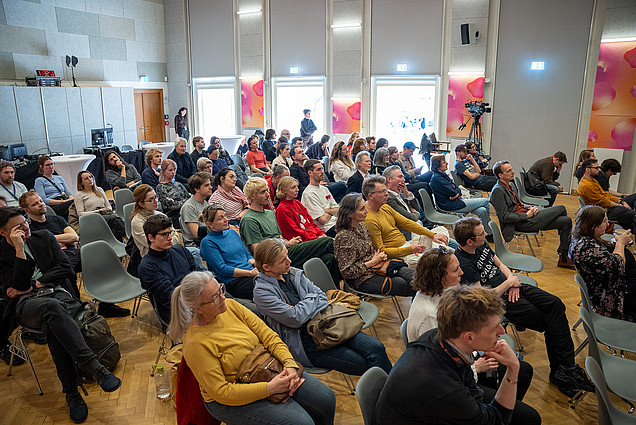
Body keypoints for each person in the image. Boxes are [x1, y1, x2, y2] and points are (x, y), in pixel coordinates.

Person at [0, 207, 122, 423]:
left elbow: (66, 267)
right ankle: (93, 367)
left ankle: (72, 392)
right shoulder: (2, 254)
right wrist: (19, 250)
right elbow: (15, 286)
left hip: (56, 295)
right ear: (3, 233)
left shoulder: (43, 237)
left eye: (25, 222)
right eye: (18, 227)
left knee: (53, 320)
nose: (26, 228)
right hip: (25, 305)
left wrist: (34, 284)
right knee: (51, 308)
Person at [168, 271, 336, 425]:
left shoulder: (231, 306)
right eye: (214, 298)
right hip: (231, 397)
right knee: (301, 422)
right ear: (197, 308)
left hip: (267, 369)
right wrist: (270, 388)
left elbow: (268, 336)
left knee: (326, 398)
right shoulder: (195, 343)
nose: (223, 298)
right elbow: (222, 392)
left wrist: (289, 364)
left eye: (220, 290)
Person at [453, 216, 595, 397]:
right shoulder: (464, 263)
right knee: (550, 322)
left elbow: (499, 263)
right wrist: (508, 284)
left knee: (555, 304)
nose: (486, 234)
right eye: (481, 234)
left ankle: (564, 370)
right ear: (469, 241)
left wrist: (511, 279)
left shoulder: (480, 245)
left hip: (513, 286)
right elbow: (483, 298)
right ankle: (564, 370)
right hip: (499, 301)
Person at [376, 285, 541, 425]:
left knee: (527, 415)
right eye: (494, 328)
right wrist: (513, 368)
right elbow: (497, 421)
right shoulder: (444, 388)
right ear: (469, 337)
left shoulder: (438, 337)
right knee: (529, 419)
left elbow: (470, 386)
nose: (502, 331)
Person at [406, 248, 534, 401]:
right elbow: (437, 366)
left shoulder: (441, 291)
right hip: (452, 380)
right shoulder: (429, 315)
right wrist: (475, 367)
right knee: (522, 373)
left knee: (521, 368)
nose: (461, 272)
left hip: (463, 358)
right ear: (440, 277)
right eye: (456, 270)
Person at [252, 238, 392, 375]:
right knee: (364, 363)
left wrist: (302, 305)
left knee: (377, 348)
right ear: (266, 267)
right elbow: (296, 319)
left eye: (287, 256)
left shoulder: (292, 272)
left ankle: (391, 389)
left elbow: (322, 297)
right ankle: (388, 389)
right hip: (307, 341)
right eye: (282, 260)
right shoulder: (262, 292)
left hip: (327, 322)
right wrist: (311, 299)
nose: (289, 261)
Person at [239, 177, 341, 284]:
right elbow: (258, 250)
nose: (268, 194)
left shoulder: (270, 213)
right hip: (276, 256)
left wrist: (289, 242)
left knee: (329, 258)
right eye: (263, 192)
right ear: (252, 196)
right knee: (328, 242)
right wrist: (287, 244)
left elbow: (280, 237)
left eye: (267, 191)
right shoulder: (249, 220)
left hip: (286, 248)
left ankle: (334, 290)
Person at [490, 160, 575, 269]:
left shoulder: (508, 185)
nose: (513, 172)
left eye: (511, 169)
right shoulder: (498, 191)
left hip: (527, 217)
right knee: (561, 208)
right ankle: (565, 254)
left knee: (566, 221)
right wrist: (527, 215)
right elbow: (505, 217)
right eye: (509, 171)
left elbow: (517, 206)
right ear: (500, 175)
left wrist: (529, 208)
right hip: (522, 223)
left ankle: (564, 257)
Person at [334, 194, 415, 296]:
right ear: (350, 214)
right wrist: (372, 262)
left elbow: (370, 252)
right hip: (362, 280)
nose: (366, 211)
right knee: (409, 286)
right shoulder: (344, 237)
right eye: (362, 209)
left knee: (417, 278)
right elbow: (347, 272)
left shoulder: (362, 226)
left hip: (377, 268)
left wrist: (378, 257)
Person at [569, 205, 635, 321]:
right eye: (604, 221)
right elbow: (618, 266)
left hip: (608, 282)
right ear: (593, 226)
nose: (608, 224)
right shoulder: (586, 247)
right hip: (608, 293)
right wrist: (620, 243)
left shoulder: (582, 239)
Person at [363, 175, 449, 262]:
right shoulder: (369, 219)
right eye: (382, 191)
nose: (386, 194)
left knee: (441, 230)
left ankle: (437, 257)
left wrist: (433, 235)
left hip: (407, 245)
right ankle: (438, 258)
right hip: (400, 255)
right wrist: (410, 249)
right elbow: (381, 251)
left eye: (386, 190)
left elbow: (407, 223)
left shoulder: (385, 207)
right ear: (371, 196)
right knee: (439, 258)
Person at [138, 214, 202, 323]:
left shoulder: (180, 250)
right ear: (151, 238)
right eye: (164, 234)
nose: (170, 238)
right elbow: (171, 297)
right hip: (178, 312)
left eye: (170, 233)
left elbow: (199, 273)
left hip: (198, 298)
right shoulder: (147, 267)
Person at [19, 190, 81, 289]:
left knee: (97, 256)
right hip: (53, 259)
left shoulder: (57, 219)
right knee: (67, 270)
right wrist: (63, 239)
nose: (41, 204)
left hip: (72, 252)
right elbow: (41, 250)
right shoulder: (29, 229)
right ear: (27, 210)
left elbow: (74, 237)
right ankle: (75, 298)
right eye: (35, 204)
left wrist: (49, 240)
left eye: (41, 201)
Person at [199, 204, 257, 300]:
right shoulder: (207, 242)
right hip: (234, 281)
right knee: (264, 286)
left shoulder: (232, 233)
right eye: (220, 218)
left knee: (276, 275)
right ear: (210, 224)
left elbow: (246, 255)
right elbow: (222, 269)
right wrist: (250, 273)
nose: (226, 220)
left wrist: (256, 265)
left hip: (251, 273)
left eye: (225, 216)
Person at [429, 155, 492, 236]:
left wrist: (456, 193)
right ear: (438, 167)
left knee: (482, 210)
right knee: (485, 201)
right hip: (451, 205)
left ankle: (484, 232)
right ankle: (489, 234)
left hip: (456, 201)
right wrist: (456, 193)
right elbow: (453, 192)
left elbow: (457, 188)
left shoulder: (442, 175)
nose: (447, 163)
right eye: (444, 162)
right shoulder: (437, 178)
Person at [578, 158, 636, 232]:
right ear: (588, 170)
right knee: (633, 215)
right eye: (596, 168)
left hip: (607, 207)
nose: (599, 170)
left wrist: (620, 201)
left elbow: (605, 194)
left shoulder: (593, 181)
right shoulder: (587, 185)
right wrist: (620, 205)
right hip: (602, 212)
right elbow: (603, 202)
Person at [74, 170, 126, 241]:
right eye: (86, 179)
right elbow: (80, 214)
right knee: (115, 219)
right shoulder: (79, 195)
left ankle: (119, 244)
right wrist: (98, 211)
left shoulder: (99, 190)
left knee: (114, 229)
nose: (90, 179)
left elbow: (108, 205)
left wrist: (107, 210)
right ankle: (128, 238)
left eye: (90, 177)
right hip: (92, 217)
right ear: (81, 183)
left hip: (105, 214)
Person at [130, 184, 179, 257]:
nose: (156, 201)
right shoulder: (137, 221)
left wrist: (167, 242)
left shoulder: (160, 214)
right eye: (151, 200)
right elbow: (153, 244)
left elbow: (177, 236)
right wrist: (170, 241)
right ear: (141, 204)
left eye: (155, 197)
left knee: (193, 252)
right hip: (155, 258)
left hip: (170, 251)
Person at [275, 177, 326, 242]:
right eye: (293, 187)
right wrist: (316, 238)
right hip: (301, 241)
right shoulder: (282, 209)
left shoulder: (297, 203)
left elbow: (310, 221)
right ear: (284, 190)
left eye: (297, 187)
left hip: (312, 236)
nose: (297, 190)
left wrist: (320, 233)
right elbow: (295, 231)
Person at [383, 165, 433, 231]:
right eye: (400, 177)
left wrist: (407, 193)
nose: (403, 180)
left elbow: (417, 208)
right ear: (389, 179)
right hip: (411, 232)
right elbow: (411, 218)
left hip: (418, 227)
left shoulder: (401, 193)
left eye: (403, 177)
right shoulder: (388, 198)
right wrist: (415, 213)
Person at [301, 161, 339, 237]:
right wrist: (332, 211)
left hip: (336, 223)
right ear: (310, 173)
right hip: (326, 229)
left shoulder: (324, 189)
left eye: (322, 169)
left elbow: (338, 211)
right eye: (318, 170)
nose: (322, 172)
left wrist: (326, 211)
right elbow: (323, 220)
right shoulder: (309, 193)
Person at [180, 172, 213, 247]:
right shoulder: (189, 207)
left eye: (210, 184)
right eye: (206, 185)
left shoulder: (206, 204)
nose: (211, 187)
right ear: (197, 189)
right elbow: (197, 235)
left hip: (209, 241)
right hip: (196, 246)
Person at [156, 158, 190, 229]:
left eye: (174, 169)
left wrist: (176, 201)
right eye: (170, 170)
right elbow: (171, 206)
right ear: (163, 171)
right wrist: (183, 201)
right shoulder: (161, 187)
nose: (173, 172)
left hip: (185, 212)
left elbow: (189, 199)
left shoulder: (178, 184)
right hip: (173, 216)